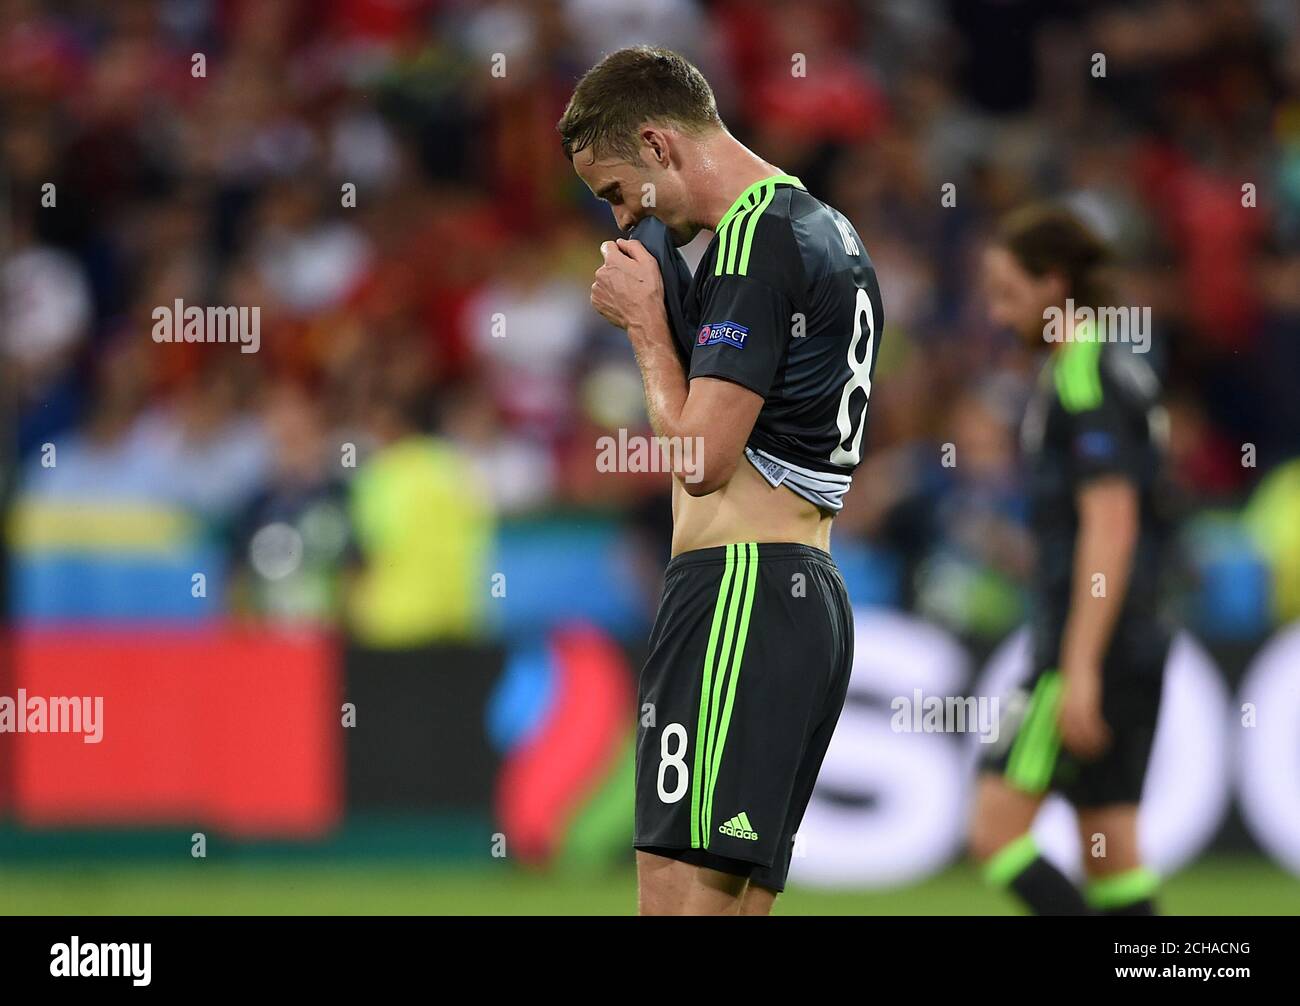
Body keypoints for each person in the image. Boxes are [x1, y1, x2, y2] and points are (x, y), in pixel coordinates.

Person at [556, 46, 884, 915]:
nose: (624, 220)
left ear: (660, 144)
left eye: (617, 190)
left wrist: (643, 330)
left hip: (740, 589)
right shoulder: (826, 228)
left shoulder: (754, 239)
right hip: (797, 591)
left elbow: (701, 460)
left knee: (677, 901)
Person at [970, 204, 1172, 916]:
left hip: (1089, 645)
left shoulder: (1083, 373)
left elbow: (1110, 524)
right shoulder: (1119, 365)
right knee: (1111, 849)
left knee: (995, 834)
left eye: (1007, 293)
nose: (997, 316)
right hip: (1134, 633)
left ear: (1053, 284)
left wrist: (1078, 665)